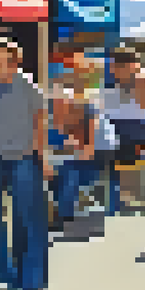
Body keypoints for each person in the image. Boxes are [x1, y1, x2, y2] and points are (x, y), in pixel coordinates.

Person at [0, 39, 48, 290]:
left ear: (16, 60)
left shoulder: (27, 85)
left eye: (7, 59)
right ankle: (2, 273)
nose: (2, 64)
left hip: (23, 157)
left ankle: (32, 278)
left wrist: (41, 157)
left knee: (27, 218)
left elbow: (40, 122)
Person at [101, 48, 145, 216]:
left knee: (106, 150)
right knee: (103, 145)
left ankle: (114, 203)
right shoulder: (124, 83)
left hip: (144, 134)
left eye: (114, 67)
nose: (112, 72)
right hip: (130, 131)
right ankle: (114, 201)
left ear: (128, 66)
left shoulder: (142, 80)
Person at [50, 72, 100, 226]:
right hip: (53, 163)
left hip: (81, 165)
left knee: (69, 172)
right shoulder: (47, 121)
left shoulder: (86, 116)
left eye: (64, 102)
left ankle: (63, 216)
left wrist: (75, 147)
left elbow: (89, 150)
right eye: (56, 102)